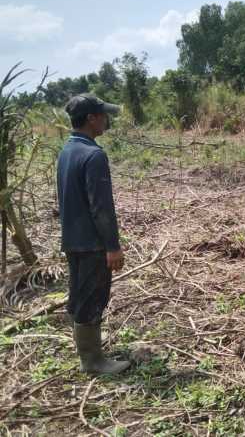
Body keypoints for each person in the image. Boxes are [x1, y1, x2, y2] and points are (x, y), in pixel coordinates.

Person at [57, 93, 130, 374]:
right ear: (91, 119)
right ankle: (93, 362)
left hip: (73, 240)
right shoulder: (94, 155)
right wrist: (112, 246)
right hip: (91, 244)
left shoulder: (67, 151)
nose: (106, 120)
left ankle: (88, 353)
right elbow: (101, 208)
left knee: (80, 294)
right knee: (92, 297)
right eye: (103, 115)